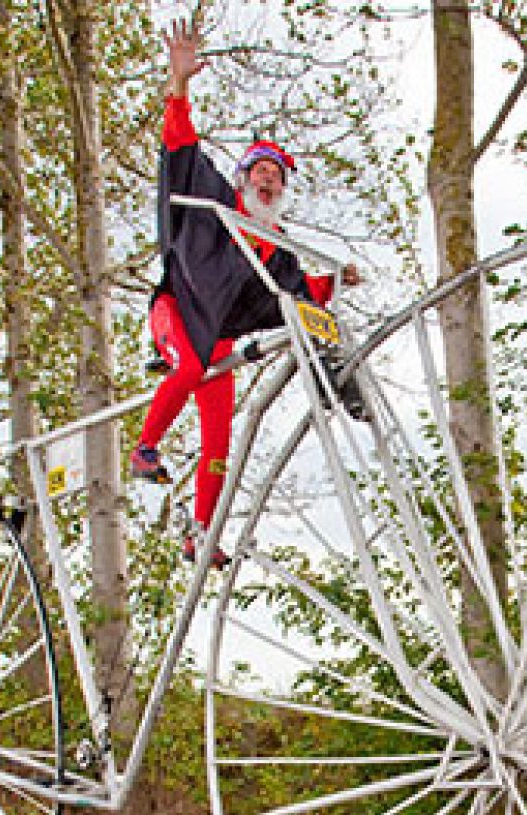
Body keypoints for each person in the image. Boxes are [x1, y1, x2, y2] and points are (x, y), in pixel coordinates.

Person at [130, 18, 361, 565]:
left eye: (277, 177)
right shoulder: (216, 203)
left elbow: (298, 294)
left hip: (220, 343)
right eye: (259, 171)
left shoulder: (274, 249)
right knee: (185, 371)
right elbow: (179, 147)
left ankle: (201, 534)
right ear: (241, 180)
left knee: (218, 447)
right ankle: (144, 449)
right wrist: (179, 83)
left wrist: (337, 281)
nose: (268, 181)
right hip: (177, 314)